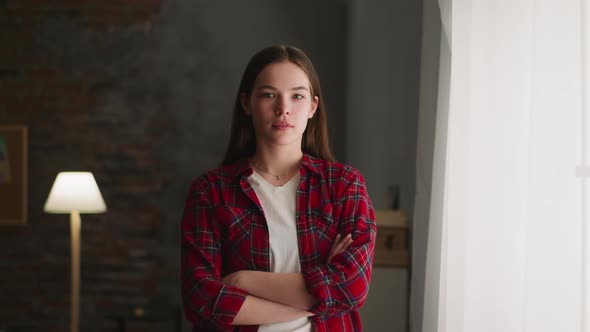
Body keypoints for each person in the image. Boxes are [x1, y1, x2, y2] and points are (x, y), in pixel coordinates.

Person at [180, 45, 376, 332]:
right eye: (269, 94)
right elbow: (201, 299)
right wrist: (318, 296)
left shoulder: (344, 186)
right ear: (246, 103)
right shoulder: (211, 191)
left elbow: (352, 287)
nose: (283, 108)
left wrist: (241, 281)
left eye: (297, 96)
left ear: (312, 107)